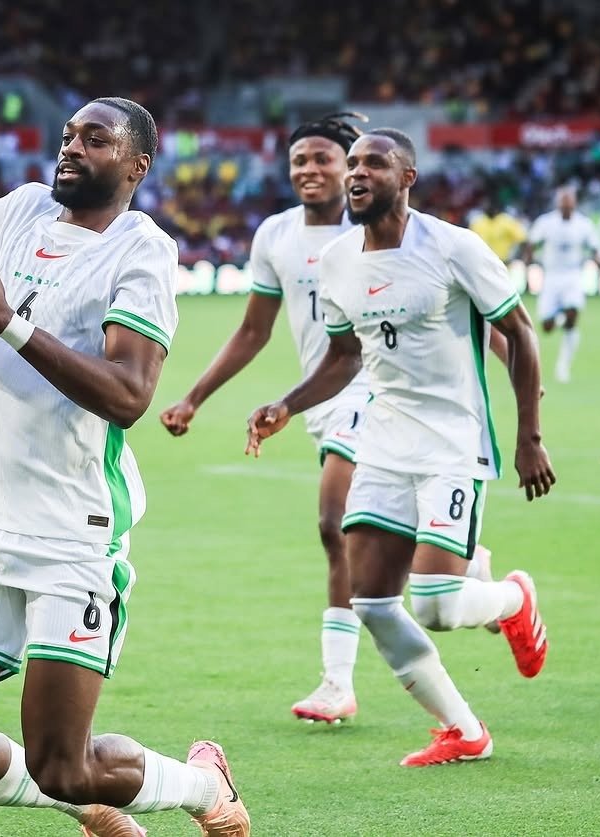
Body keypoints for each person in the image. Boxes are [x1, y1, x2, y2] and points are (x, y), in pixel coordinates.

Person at [0, 97, 250, 837]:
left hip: (72, 529)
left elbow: (129, 395)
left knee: (65, 759)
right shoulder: (17, 212)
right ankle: (87, 805)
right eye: (68, 136)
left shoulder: (141, 251)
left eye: (95, 139)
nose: (72, 148)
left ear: (135, 164)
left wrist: (9, 324)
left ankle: (202, 782)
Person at [161, 115, 500, 725]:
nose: (311, 171)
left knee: (331, 518)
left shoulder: (378, 227)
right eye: (299, 161)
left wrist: (504, 355)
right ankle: (460, 567)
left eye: (325, 159)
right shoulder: (275, 236)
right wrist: (195, 397)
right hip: (324, 393)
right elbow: (253, 330)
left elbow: (466, 305)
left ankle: (338, 681)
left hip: (377, 390)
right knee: (339, 537)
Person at [246, 128, 555, 767]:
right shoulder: (337, 261)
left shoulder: (452, 248)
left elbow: (520, 335)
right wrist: (288, 404)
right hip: (382, 442)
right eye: (352, 163)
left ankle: (514, 599)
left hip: (452, 444)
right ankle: (463, 730)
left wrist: (529, 436)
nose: (358, 173)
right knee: (374, 603)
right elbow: (343, 355)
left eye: (374, 164)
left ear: (406, 177)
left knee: (438, 606)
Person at [525, 186, 600, 383]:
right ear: (559, 204)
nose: (567, 206)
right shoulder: (546, 222)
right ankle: (560, 317)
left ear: (574, 204)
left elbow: (594, 246)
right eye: (563, 202)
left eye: (570, 202)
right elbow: (532, 243)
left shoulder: (583, 224)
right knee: (547, 327)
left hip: (572, 276)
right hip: (551, 277)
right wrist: (528, 259)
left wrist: (597, 258)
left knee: (573, 312)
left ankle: (563, 366)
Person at [470, 199, 527, 264]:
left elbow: (523, 240)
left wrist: (520, 259)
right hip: (482, 263)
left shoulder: (506, 220)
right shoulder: (478, 222)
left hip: (504, 262)